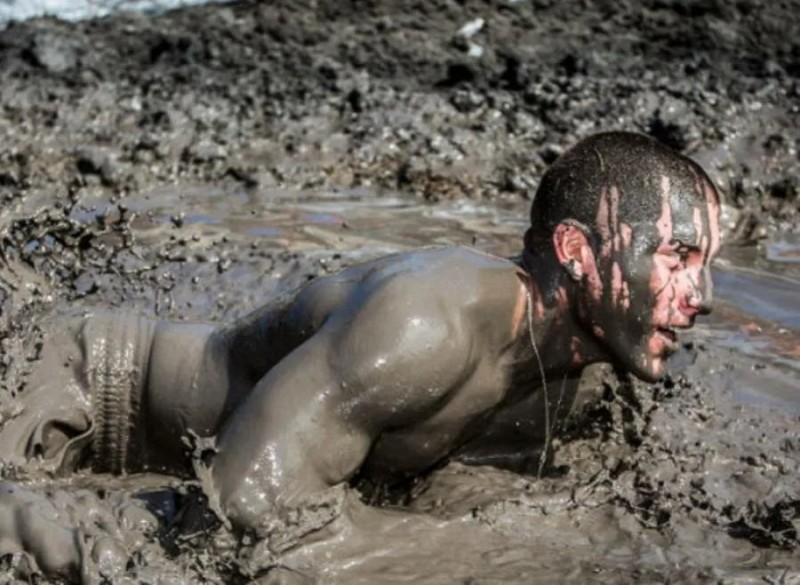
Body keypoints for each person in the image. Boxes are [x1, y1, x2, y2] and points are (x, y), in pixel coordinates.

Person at [0, 131, 721, 581]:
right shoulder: (425, 323)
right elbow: (232, 515)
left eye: (707, 262)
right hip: (84, 388)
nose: (705, 294)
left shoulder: (589, 378)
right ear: (576, 251)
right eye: (678, 257)